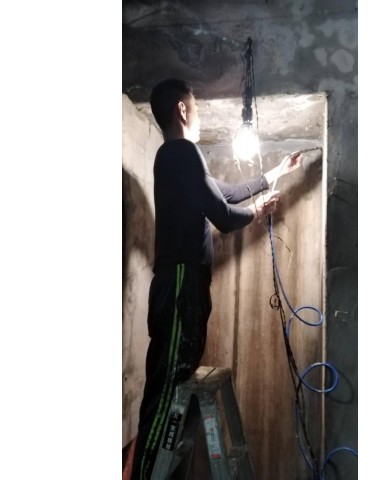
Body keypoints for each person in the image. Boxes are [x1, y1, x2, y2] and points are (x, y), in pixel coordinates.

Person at [130, 78, 303, 479]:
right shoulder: (181, 152)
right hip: (180, 285)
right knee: (166, 391)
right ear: (182, 109)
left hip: (184, 286)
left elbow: (226, 193)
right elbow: (223, 216)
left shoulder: (181, 159)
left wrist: (275, 172)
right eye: (196, 107)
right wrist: (258, 211)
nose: (200, 116)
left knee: (171, 385)